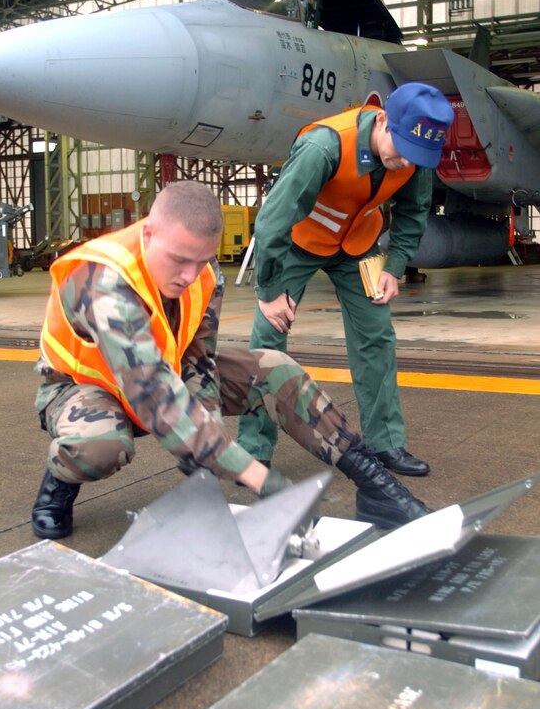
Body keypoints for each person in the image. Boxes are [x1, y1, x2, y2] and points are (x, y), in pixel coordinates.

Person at [32, 181, 432, 539]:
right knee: (102, 445)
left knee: (275, 368)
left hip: (162, 381)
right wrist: (261, 478)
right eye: (179, 260)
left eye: (202, 260)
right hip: (83, 391)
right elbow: (155, 395)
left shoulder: (205, 275)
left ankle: (375, 485)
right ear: (148, 233)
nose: (190, 275)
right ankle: (58, 484)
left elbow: (198, 360)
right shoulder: (101, 281)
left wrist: (206, 446)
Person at [237, 82, 454, 477]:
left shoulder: (415, 157)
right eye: (401, 150)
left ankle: (386, 443)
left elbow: (414, 211)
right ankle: (253, 448)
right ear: (383, 120)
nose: (406, 163)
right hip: (298, 244)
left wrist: (395, 266)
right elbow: (272, 223)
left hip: (357, 245)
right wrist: (269, 292)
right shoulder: (325, 147)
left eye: (416, 157)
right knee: (266, 342)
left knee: (376, 335)